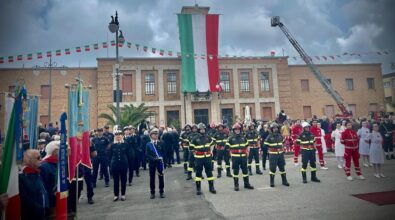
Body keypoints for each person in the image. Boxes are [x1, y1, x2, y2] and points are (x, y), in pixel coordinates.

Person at [19, 149, 48, 220]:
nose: (41, 159)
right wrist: (38, 209)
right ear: (29, 160)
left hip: (42, 213)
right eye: (38, 158)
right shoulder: (22, 176)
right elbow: (25, 199)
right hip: (32, 215)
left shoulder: (36, 173)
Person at [190, 123, 216, 195]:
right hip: (199, 158)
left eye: (203, 129)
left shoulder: (208, 137)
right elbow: (191, 148)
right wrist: (195, 154)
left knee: (209, 172)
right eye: (201, 129)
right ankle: (198, 189)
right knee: (198, 173)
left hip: (207, 157)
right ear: (198, 130)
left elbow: (213, 143)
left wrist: (211, 151)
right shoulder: (195, 138)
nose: (202, 130)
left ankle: (211, 187)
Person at [227, 123, 254, 191]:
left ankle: (246, 184)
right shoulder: (230, 138)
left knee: (245, 170)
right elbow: (227, 147)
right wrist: (230, 153)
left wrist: (248, 151)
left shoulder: (243, 137)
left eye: (238, 129)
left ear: (240, 130)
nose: (237, 130)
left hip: (243, 157)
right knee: (236, 171)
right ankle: (236, 185)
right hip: (235, 157)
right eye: (236, 129)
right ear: (233, 130)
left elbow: (247, 145)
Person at [264, 122, 290, 187]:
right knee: (272, 169)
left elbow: (283, 143)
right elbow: (265, 146)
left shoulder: (280, 136)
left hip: (280, 155)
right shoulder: (269, 136)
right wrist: (269, 151)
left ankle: (284, 181)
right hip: (273, 155)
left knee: (282, 168)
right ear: (271, 129)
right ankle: (272, 182)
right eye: (274, 128)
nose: (275, 129)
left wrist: (282, 149)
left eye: (276, 128)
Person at [40, 141, 59, 218]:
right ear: (53, 152)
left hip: (59, 197)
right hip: (51, 199)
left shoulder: (59, 163)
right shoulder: (44, 165)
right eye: (57, 150)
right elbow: (44, 186)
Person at [109, 129, 129, 201]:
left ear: (122, 136)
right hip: (115, 164)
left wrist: (128, 164)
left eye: (119, 135)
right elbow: (109, 156)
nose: (118, 137)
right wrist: (110, 165)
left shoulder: (125, 144)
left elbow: (128, 154)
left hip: (123, 164)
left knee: (123, 180)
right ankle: (116, 195)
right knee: (116, 181)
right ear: (115, 136)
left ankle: (123, 194)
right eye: (116, 135)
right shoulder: (112, 145)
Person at [146, 128, 166, 199]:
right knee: (152, 178)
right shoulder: (148, 144)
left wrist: (165, 163)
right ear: (151, 135)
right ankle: (152, 192)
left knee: (161, 177)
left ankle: (161, 191)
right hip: (152, 163)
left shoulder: (162, 142)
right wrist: (153, 159)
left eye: (157, 134)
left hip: (160, 162)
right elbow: (147, 154)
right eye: (154, 134)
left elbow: (164, 153)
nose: (156, 135)